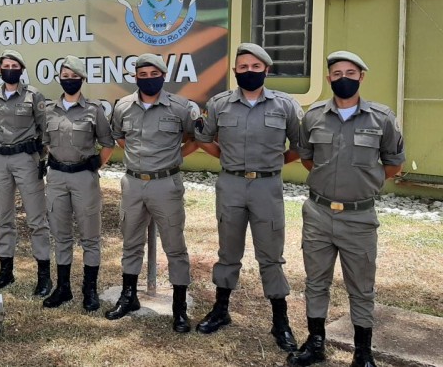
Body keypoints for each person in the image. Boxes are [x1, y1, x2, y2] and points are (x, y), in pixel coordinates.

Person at [288, 51, 404, 367]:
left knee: (361, 288)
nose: (343, 78)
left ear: (361, 77)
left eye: (350, 73)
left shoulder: (382, 118)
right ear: (328, 78)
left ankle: (363, 354)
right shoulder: (313, 117)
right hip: (318, 214)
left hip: (359, 217)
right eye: (337, 73)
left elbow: (394, 163)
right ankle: (315, 344)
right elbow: (307, 157)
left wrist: (365, 182)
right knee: (316, 282)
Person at [194, 43, 301, 351]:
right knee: (228, 251)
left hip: (267, 187)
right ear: (235, 71)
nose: (249, 72)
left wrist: (275, 163)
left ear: (266, 70)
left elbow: (300, 145)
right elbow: (204, 139)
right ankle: (221, 310)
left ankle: (280, 322)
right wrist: (227, 158)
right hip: (231, 185)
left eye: (256, 67)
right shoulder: (220, 104)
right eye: (243, 67)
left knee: (271, 255)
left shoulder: (285, 106)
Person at [107, 53, 199, 333]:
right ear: (135, 77)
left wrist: (175, 157)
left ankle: (179, 308)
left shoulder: (181, 107)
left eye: (153, 74)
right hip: (133, 183)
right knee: (131, 242)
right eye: (142, 75)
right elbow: (119, 136)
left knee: (174, 246)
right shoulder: (123, 106)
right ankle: (129, 296)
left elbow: (195, 138)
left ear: (163, 75)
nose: (148, 79)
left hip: (166, 184)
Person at [41, 56, 115, 312]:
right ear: (59, 78)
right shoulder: (49, 109)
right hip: (57, 177)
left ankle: (89, 290)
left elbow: (108, 144)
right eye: (65, 76)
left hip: (84, 178)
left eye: (74, 77)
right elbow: (45, 140)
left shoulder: (94, 110)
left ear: (82, 80)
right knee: (61, 235)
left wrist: (96, 164)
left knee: (90, 237)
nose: (69, 81)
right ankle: (62, 288)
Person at [0, 50, 52, 296]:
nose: (10, 69)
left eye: (15, 65)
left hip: (26, 159)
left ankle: (43, 276)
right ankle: (6, 272)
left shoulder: (34, 96)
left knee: (37, 220)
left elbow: (45, 131)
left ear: (22, 70)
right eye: (6, 65)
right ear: (0, 69)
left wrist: (41, 159)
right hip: (1, 160)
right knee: (3, 217)